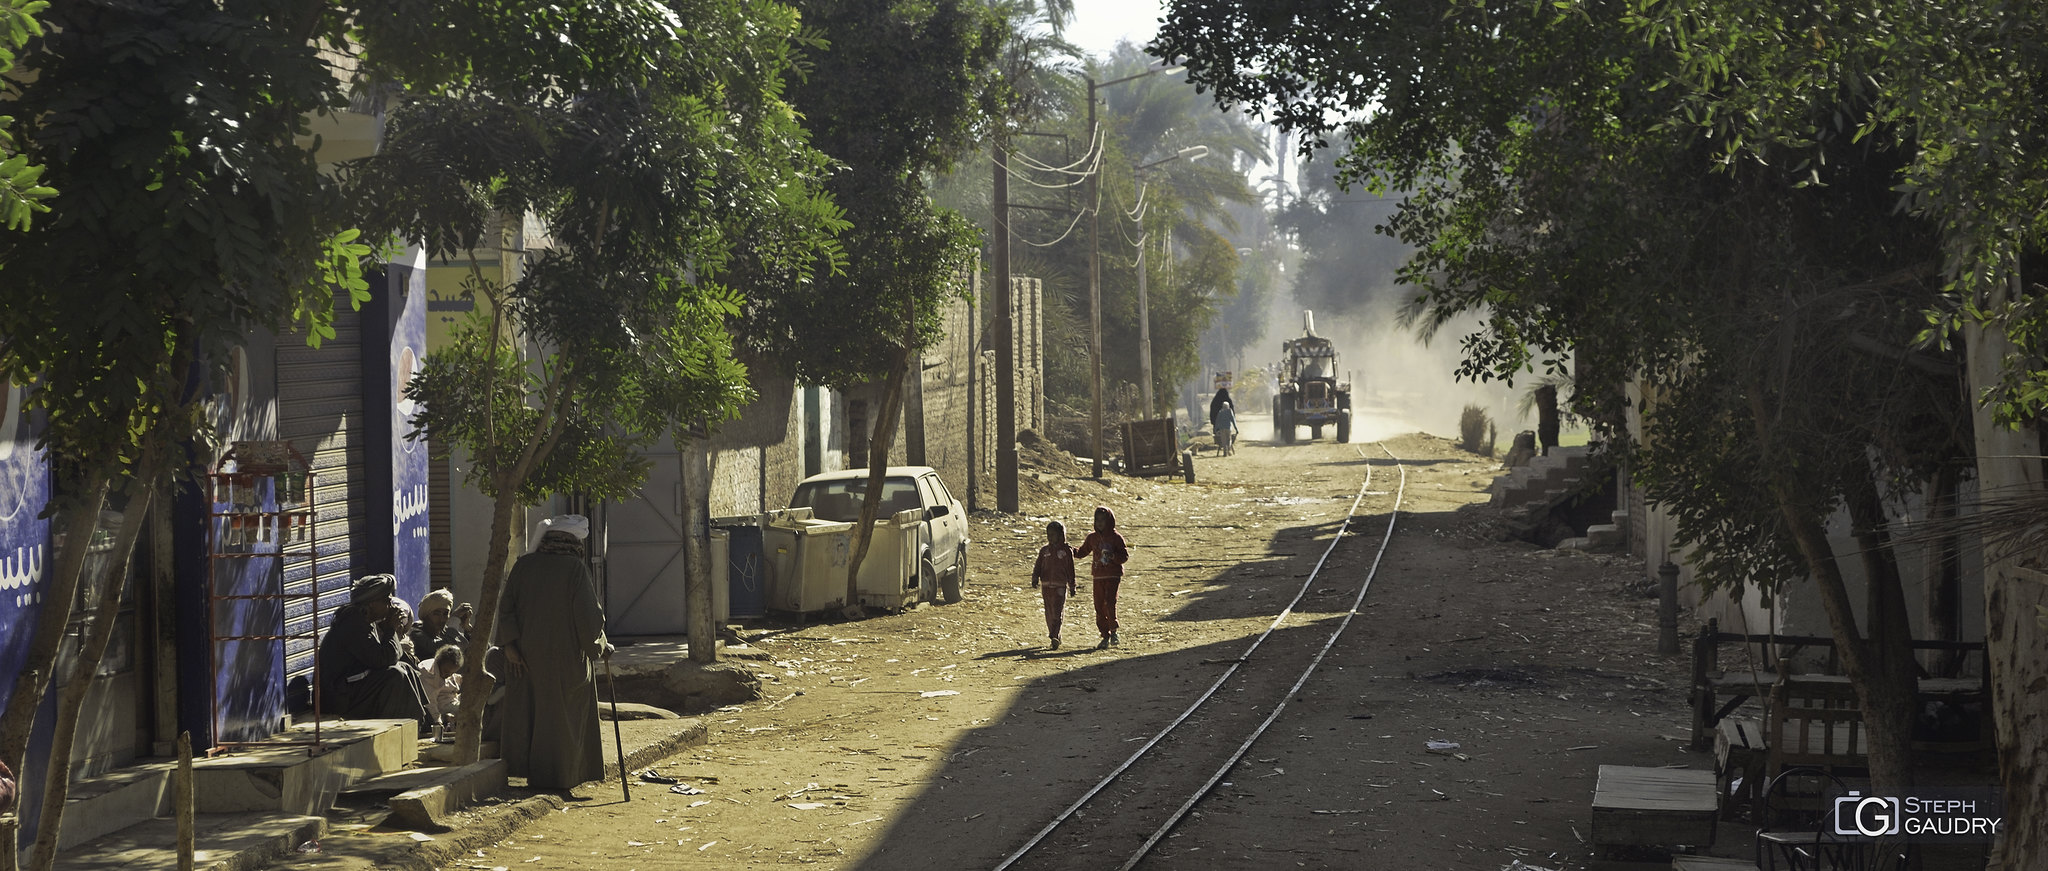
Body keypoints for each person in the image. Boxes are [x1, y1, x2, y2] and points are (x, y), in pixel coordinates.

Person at [498, 514, 613, 791]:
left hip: (523, 658)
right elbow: (589, 618)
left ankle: (525, 772)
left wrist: (510, 648)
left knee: (529, 713)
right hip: (565, 659)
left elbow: (506, 609)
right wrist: (600, 646)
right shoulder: (575, 569)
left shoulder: (523, 565)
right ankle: (559, 778)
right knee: (562, 717)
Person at [318, 574, 431, 724]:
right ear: (371, 603)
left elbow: (387, 656)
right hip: (339, 696)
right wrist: (390, 629)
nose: (391, 604)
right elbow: (383, 660)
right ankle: (402, 722)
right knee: (395, 675)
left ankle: (422, 721)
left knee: (406, 668)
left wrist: (388, 630)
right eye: (386, 600)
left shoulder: (366, 620)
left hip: (353, 685)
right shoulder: (353, 623)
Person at [1073, 506, 1130, 650]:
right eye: (1097, 520)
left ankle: (1114, 631)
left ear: (1109, 521)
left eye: (1103, 520)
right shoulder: (1092, 538)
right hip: (1098, 576)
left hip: (1112, 575)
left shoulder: (1116, 538)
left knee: (1109, 602)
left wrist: (1113, 557)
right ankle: (1104, 635)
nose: (1099, 523)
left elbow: (1124, 556)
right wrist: (1071, 550)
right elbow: (1082, 551)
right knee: (1099, 605)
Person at [1030, 521, 1079, 650]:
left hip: (1060, 587)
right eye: (1048, 534)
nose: (1050, 537)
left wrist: (1072, 585)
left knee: (1058, 611)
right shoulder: (1044, 551)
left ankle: (1054, 635)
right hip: (1046, 586)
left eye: (1053, 534)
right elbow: (1038, 566)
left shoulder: (1066, 551)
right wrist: (1035, 578)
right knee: (1049, 612)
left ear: (1061, 535)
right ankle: (1054, 634)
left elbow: (1070, 570)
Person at [419, 644, 464, 737]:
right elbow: (430, 702)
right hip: (439, 707)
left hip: (450, 701)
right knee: (467, 710)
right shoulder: (429, 674)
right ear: (439, 663)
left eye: (452, 673)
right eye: (447, 672)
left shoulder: (445, 672)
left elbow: (451, 683)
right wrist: (437, 721)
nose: (449, 675)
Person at [412, 588, 473, 654]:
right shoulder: (415, 632)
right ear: (426, 614)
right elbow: (437, 649)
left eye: (445, 614)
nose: (441, 619)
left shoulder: (445, 631)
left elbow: (470, 650)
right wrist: (454, 621)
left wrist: (467, 629)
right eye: (436, 614)